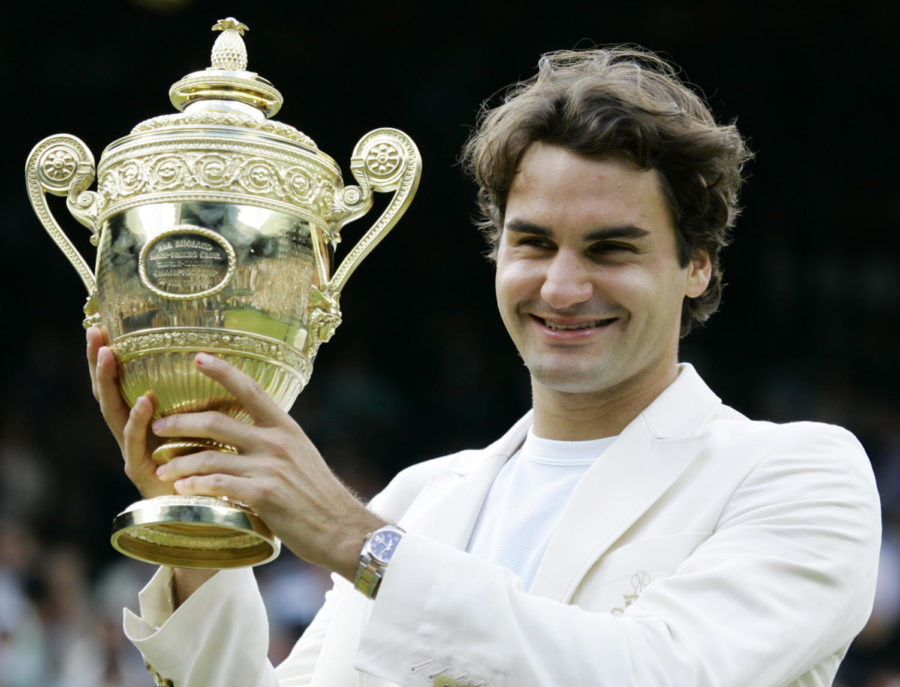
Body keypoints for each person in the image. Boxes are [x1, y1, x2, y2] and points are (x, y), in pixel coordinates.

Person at [85, 47, 881, 687]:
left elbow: (663, 672)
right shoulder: (425, 497)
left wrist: (360, 542)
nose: (563, 287)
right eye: (534, 242)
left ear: (698, 266)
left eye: (612, 248)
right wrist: (191, 537)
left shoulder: (798, 474)